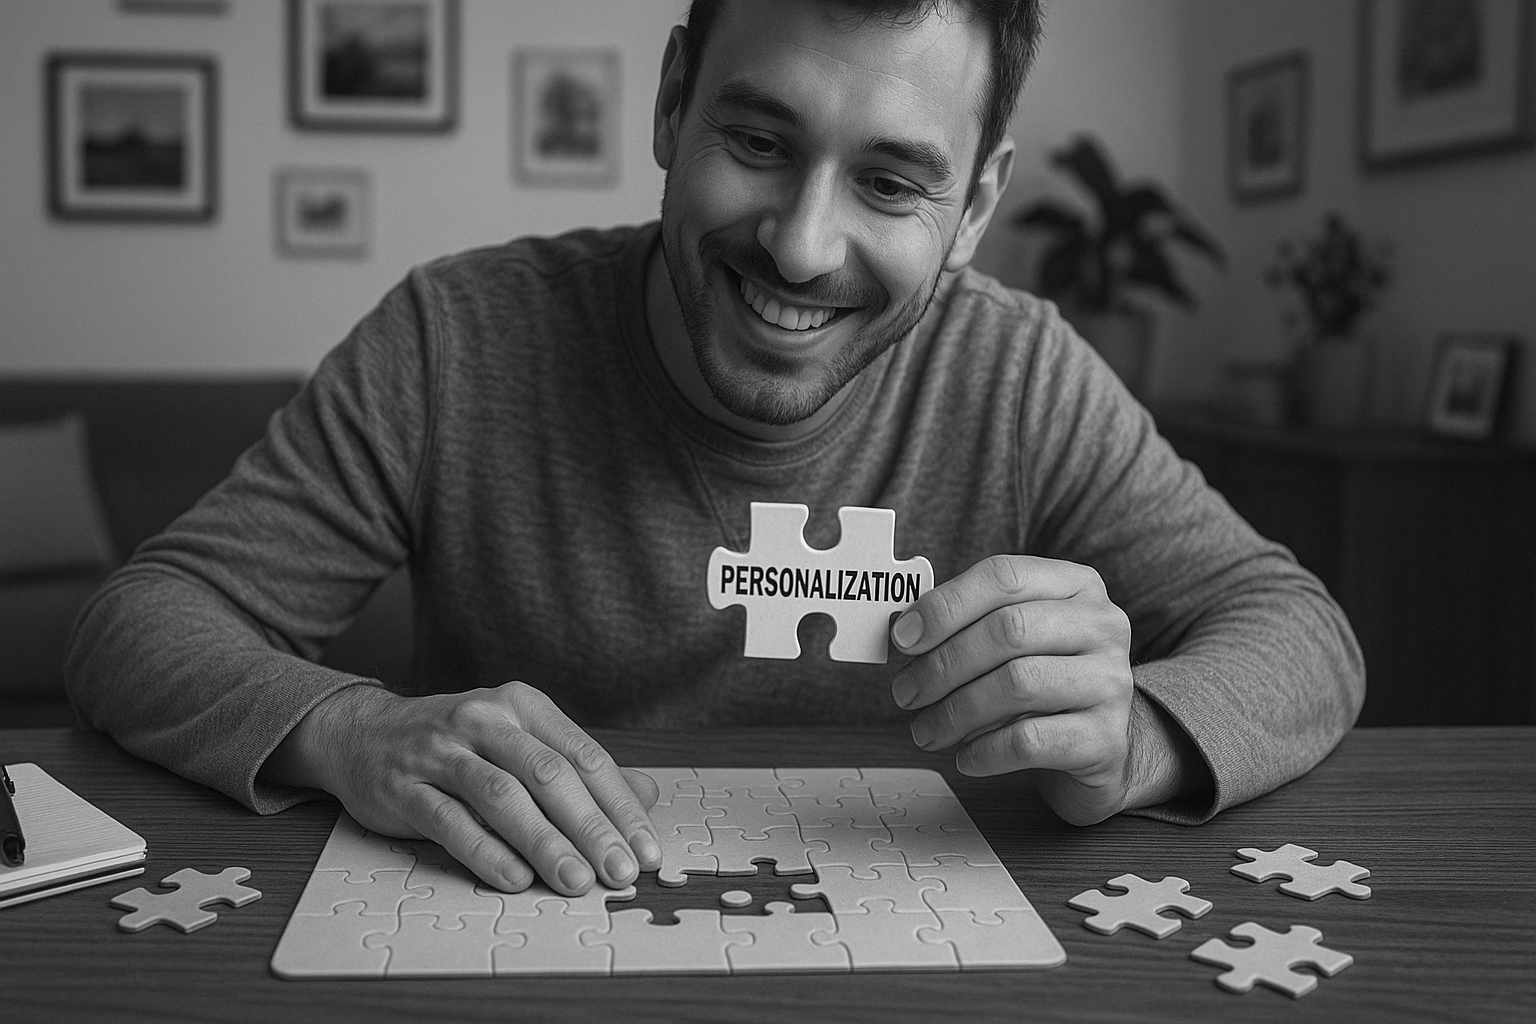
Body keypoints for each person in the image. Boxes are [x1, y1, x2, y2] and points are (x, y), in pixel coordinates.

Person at [66, 0, 1364, 900]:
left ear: (974, 209)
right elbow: (141, 620)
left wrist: (1130, 739)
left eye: (893, 184)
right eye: (758, 142)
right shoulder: (452, 336)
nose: (802, 245)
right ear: (673, 100)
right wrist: (350, 730)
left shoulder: (1020, 370)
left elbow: (1297, 628)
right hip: (519, 926)